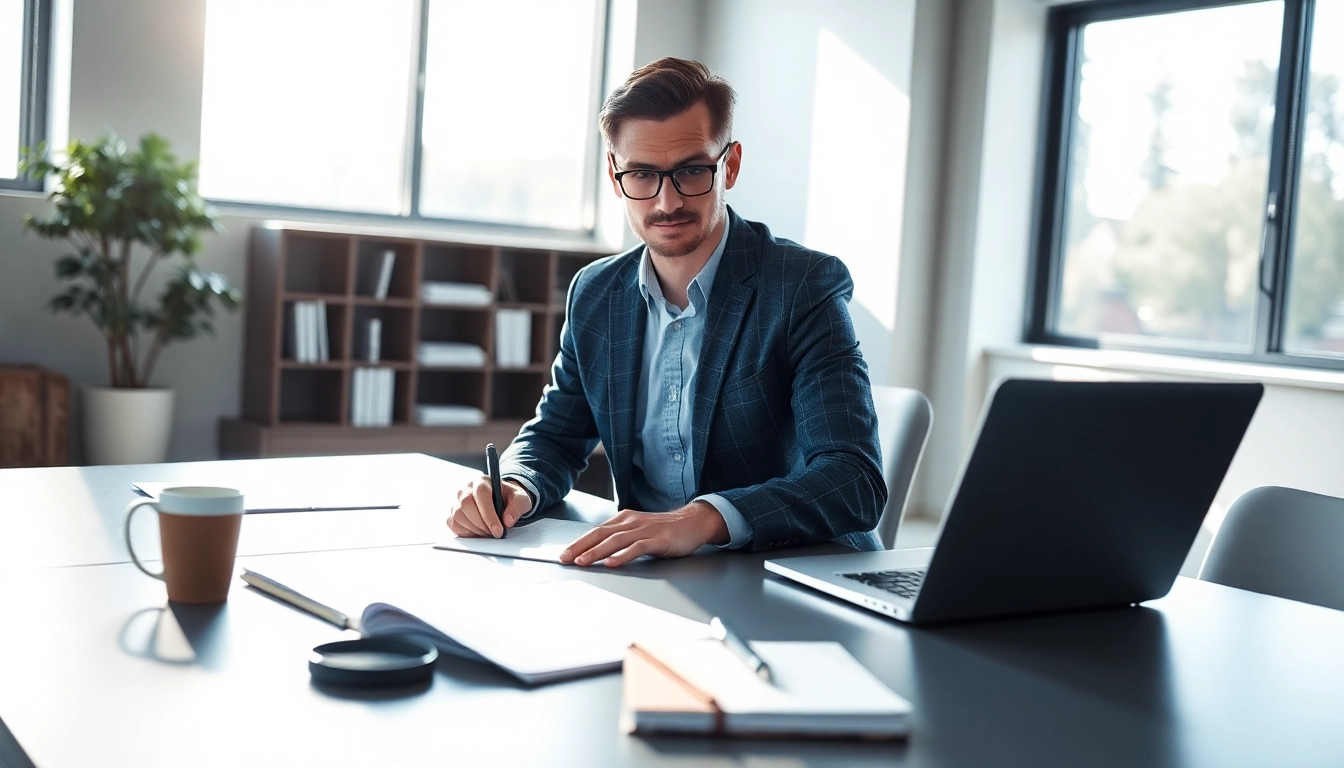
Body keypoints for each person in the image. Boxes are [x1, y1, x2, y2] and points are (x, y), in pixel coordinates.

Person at [446, 57, 886, 566]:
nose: (666, 201)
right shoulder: (595, 292)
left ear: (731, 165)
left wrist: (701, 519)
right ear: (615, 176)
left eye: (692, 170)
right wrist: (516, 484)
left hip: (784, 572)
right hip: (647, 575)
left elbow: (853, 479)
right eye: (642, 174)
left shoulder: (802, 287)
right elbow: (555, 436)